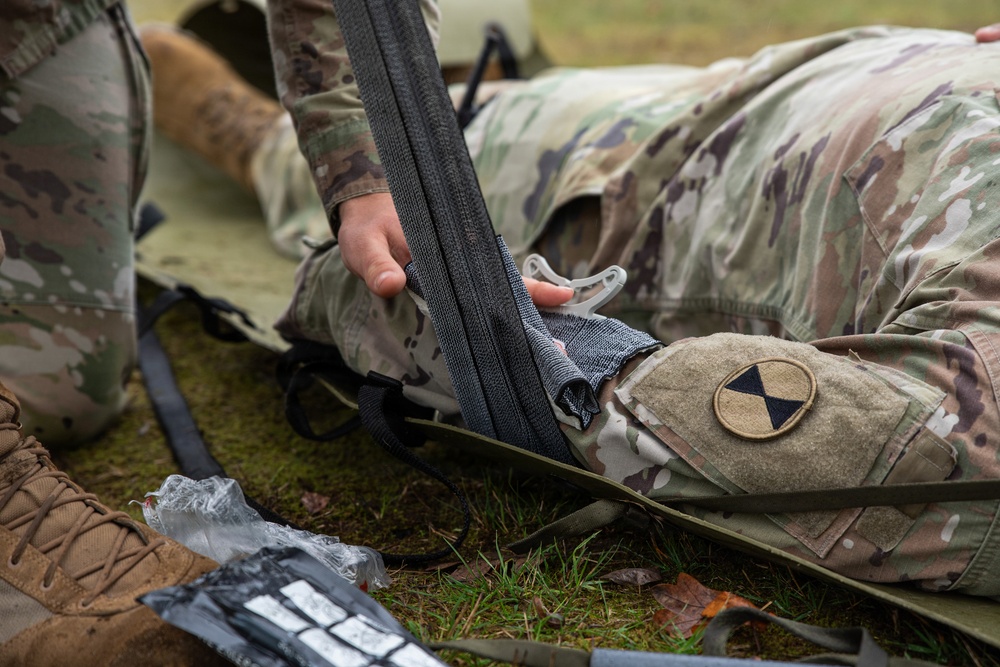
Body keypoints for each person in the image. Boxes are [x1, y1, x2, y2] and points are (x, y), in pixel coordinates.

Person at [250, 5, 1000, 596]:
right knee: (325, 161)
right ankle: (235, 120)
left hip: (807, 109)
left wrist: (402, 302)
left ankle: (225, 108)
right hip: (715, 144)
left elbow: (682, 411)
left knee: (469, 122)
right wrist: (379, 287)